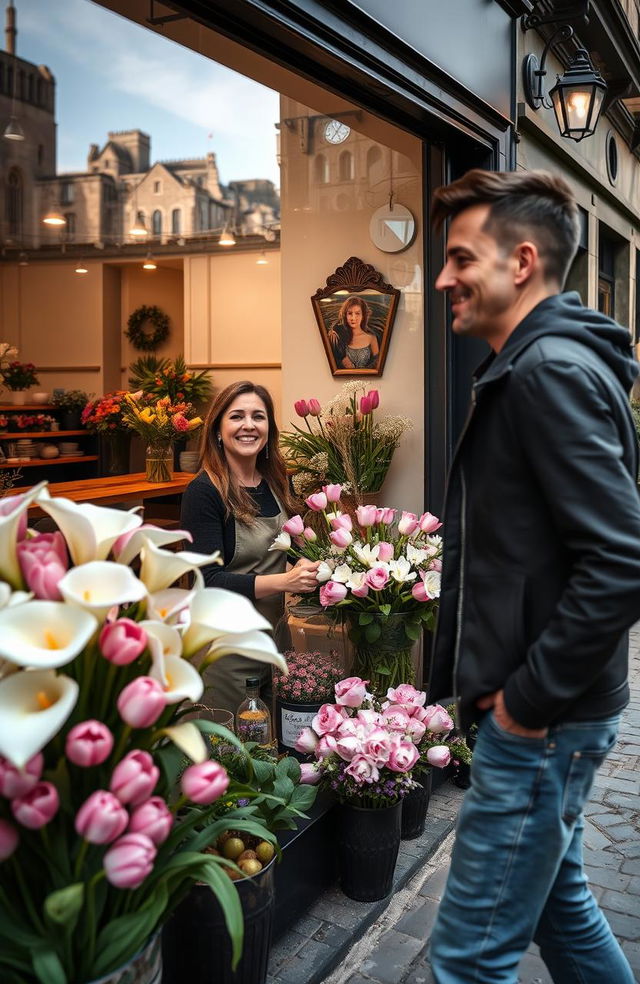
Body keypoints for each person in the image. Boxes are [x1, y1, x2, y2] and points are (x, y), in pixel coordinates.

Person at [427, 168, 640, 984]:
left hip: (542, 725)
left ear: (521, 262)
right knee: (567, 911)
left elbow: (621, 560)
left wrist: (524, 705)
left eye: (459, 258)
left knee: (468, 960)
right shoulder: (542, 362)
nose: (443, 278)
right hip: (549, 717)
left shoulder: (546, 369)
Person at [181, 380, 319, 713]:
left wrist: (318, 564)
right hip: (225, 648)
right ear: (218, 429)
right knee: (229, 751)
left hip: (273, 641)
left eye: (258, 416)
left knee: (271, 749)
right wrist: (284, 582)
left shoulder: (276, 482)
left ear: (269, 429)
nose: (248, 425)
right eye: (236, 416)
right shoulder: (204, 492)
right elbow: (207, 580)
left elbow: (292, 550)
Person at [328, 294, 379, 369]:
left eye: (357, 313)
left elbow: (377, 365)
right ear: (345, 315)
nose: (353, 318)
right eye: (350, 313)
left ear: (363, 316)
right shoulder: (339, 337)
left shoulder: (372, 338)